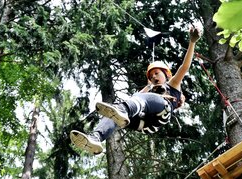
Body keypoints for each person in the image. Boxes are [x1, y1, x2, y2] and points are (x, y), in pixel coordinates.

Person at [70, 25, 202, 155]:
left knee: (138, 100)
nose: (153, 76)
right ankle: (96, 138)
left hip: (160, 115)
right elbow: (135, 100)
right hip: (142, 124)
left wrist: (192, 42)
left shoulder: (173, 84)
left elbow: (184, 67)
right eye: (151, 76)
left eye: (156, 73)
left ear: (166, 74)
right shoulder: (147, 90)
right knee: (114, 114)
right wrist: (148, 87)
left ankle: (122, 110)